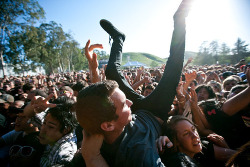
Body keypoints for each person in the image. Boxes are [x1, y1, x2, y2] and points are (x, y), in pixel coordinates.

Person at [76, 0, 193, 166]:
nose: (130, 102)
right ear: (108, 125)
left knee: (111, 72)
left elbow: (97, 102)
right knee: (174, 66)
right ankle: (180, 18)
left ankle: (118, 38)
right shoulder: (140, 153)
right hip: (156, 113)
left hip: (133, 114)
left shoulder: (95, 124)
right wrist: (92, 158)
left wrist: (93, 69)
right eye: (125, 104)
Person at [158, 115, 236, 167]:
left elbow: (240, 157)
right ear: (176, 141)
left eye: (193, 129)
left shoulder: (204, 146)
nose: (195, 136)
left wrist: (226, 146)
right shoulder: (175, 162)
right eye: (186, 134)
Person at [23, 95, 78, 167]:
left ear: (66, 130)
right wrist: (35, 106)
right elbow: (28, 113)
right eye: (44, 123)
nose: (42, 130)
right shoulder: (53, 120)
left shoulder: (65, 154)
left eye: (50, 127)